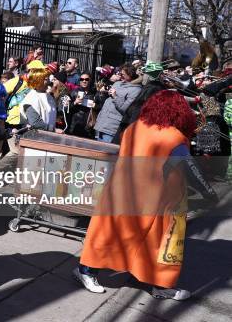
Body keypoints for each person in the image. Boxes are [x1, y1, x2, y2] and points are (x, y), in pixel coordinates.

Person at [75, 90, 219, 300]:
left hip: (121, 193)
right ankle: (159, 285)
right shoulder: (173, 137)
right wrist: (209, 195)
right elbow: (190, 170)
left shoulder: (134, 128)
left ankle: (87, 271)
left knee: (107, 234)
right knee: (157, 242)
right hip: (157, 201)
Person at [93, 63, 142, 143]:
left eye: (122, 74)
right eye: (119, 73)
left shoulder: (136, 90)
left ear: (130, 75)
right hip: (101, 124)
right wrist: (103, 93)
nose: (120, 76)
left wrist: (115, 96)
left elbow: (126, 109)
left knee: (105, 153)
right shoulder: (117, 83)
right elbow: (108, 101)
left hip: (111, 127)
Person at [18, 67, 58, 131]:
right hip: (35, 138)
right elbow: (35, 123)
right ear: (38, 81)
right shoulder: (31, 98)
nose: (49, 82)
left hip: (48, 138)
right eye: (45, 79)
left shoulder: (50, 97)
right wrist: (53, 129)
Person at [67, 73, 97, 138]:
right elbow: (66, 108)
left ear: (90, 80)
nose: (84, 81)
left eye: (86, 79)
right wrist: (75, 102)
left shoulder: (94, 93)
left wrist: (95, 106)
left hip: (88, 126)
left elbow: (100, 107)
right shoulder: (74, 92)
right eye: (82, 79)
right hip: (75, 126)